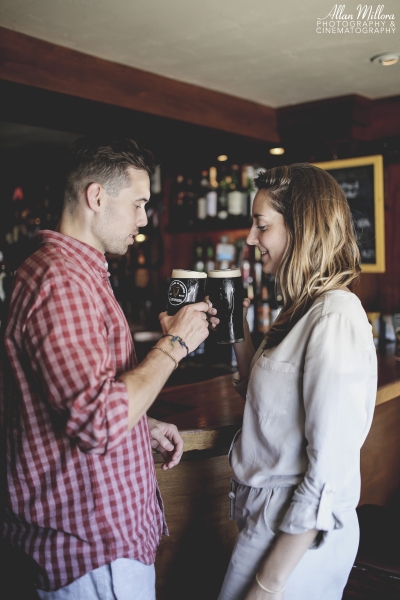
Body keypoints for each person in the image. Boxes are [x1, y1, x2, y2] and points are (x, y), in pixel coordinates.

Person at [1, 136, 218, 599]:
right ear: (97, 197)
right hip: (90, 551)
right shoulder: (61, 281)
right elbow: (98, 422)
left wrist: (143, 422)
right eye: (138, 204)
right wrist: (175, 343)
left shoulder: (76, 273)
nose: (144, 218)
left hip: (100, 546)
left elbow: (79, 399)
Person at [219, 164, 377, 600]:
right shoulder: (299, 310)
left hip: (296, 535)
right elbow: (266, 395)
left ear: (301, 227)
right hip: (267, 521)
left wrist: (268, 585)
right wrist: (237, 326)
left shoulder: (336, 315)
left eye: (261, 224)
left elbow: (329, 471)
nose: (250, 239)